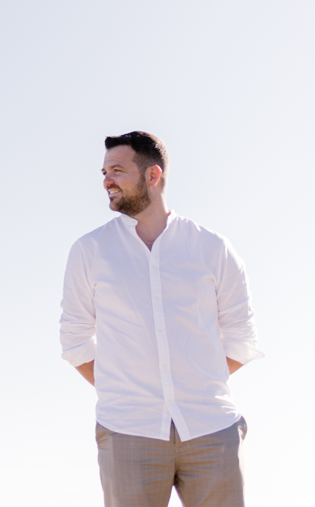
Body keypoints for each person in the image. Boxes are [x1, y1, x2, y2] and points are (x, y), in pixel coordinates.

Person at [60, 132, 263, 507]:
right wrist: (123, 386)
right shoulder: (90, 251)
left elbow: (241, 336)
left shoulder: (212, 247)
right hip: (126, 430)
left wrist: (197, 380)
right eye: (104, 171)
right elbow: (75, 340)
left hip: (211, 428)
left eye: (117, 170)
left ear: (152, 176)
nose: (107, 180)